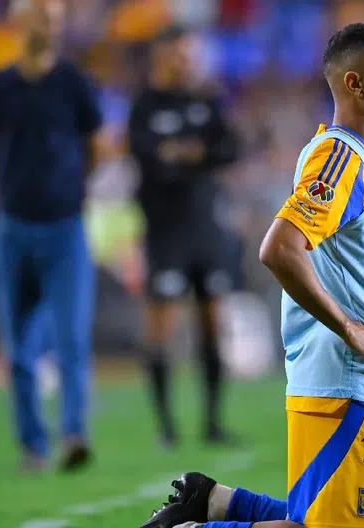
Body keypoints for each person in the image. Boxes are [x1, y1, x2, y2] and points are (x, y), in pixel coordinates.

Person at [141, 21, 364, 528]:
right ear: (355, 84)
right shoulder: (340, 158)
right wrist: (349, 328)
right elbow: (280, 248)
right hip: (351, 391)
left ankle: (213, 502)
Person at [0, 0, 106, 472]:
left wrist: (70, 191)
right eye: (42, 17)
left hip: (65, 226)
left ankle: (73, 434)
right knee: (19, 348)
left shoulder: (74, 84)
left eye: (55, 19)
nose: (51, 26)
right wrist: (6, 196)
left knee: (72, 339)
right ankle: (33, 444)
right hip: (13, 228)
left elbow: (96, 147)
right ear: (19, 22)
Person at [127, 25, 241, 446]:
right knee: (162, 325)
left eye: (189, 55)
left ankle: (213, 422)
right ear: (162, 56)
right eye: (178, 54)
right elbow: (147, 158)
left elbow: (230, 149)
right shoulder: (145, 105)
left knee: (212, 321)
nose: (186, 63)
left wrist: (183, 154)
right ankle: (166, 426)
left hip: (204, 228)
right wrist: (193, 155)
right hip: (165, 231)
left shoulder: (206, 101)